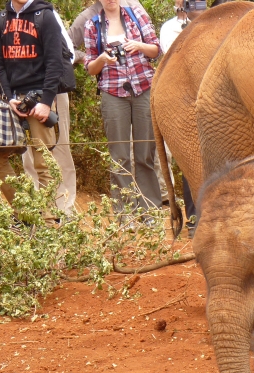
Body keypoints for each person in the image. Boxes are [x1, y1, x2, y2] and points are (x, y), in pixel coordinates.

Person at [84, 0, 162, 214]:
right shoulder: (93, 24)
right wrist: (102, 59)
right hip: (113, 93)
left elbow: (156, 50)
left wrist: (138, 46)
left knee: (145, 154)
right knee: (119, 156)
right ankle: (124, 214)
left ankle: (149, 211)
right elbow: (90, 68)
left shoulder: (136, 16)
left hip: (143, 88)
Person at [0, 0, 65, 204]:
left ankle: (48, 219)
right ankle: (24, 212)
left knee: (44, 163)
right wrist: (8, 98)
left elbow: (55, 62)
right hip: (11, 101)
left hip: (38, 99)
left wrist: (46, 102)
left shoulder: (45, 16)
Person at [21, 8, 75, 214]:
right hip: (23, 93)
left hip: (53, 93)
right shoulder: (8, 18)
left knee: (59, 149)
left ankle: (65, 209)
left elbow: (67, 54)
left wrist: (48, 88)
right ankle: (38, 209)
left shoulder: (47, 14)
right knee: (28, 154)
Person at [159, 0, 201, 235]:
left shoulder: (218, 18)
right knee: (190, 160)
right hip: (185, 96)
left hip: (215, 97)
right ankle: (194, 220)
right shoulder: (170, 28)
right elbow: (175, 59)